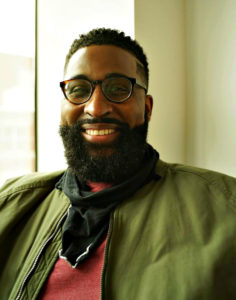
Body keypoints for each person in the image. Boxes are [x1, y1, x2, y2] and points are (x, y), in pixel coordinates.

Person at [0, 28, 236, 300]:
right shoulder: (12, 203)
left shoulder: (225, 208)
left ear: (147, 108)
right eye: (78, 90)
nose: (96, 108)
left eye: (118, 89)